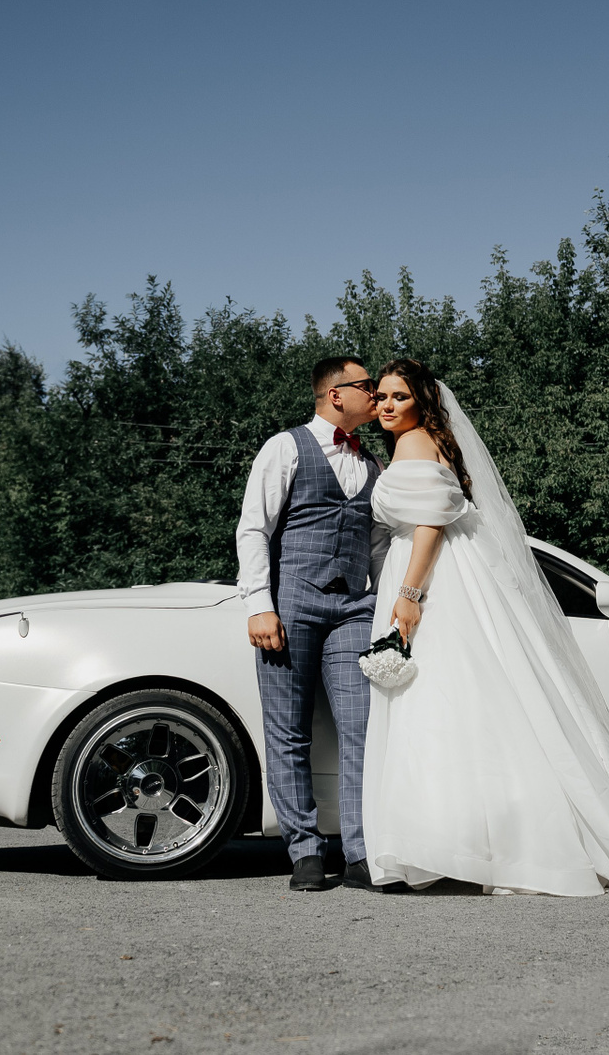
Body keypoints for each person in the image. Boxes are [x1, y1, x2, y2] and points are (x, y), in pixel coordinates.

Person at [360, 358, 609, 897]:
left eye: (398, 396)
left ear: (421, 400)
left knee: (440, 701)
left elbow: (429, 524)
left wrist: (409, 596)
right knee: (474, 702)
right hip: (454, 574)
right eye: (381, 396)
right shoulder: (434, 441)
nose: (386, 406)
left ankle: (458, 845)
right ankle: (481, 843)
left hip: (430, 578)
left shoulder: (412, 442)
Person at [235, 356, 387, 892]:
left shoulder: (374, 465)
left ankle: (360, 852)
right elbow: (254, 528)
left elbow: (377, 547)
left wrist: (388, 605)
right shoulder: (285, 447)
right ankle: (304, 852)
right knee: (288, 730)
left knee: (361, 727)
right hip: (291, 603)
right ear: (336, 394)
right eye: (367, 385)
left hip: (353, 609)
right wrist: (259, 604)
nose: (376, 394)